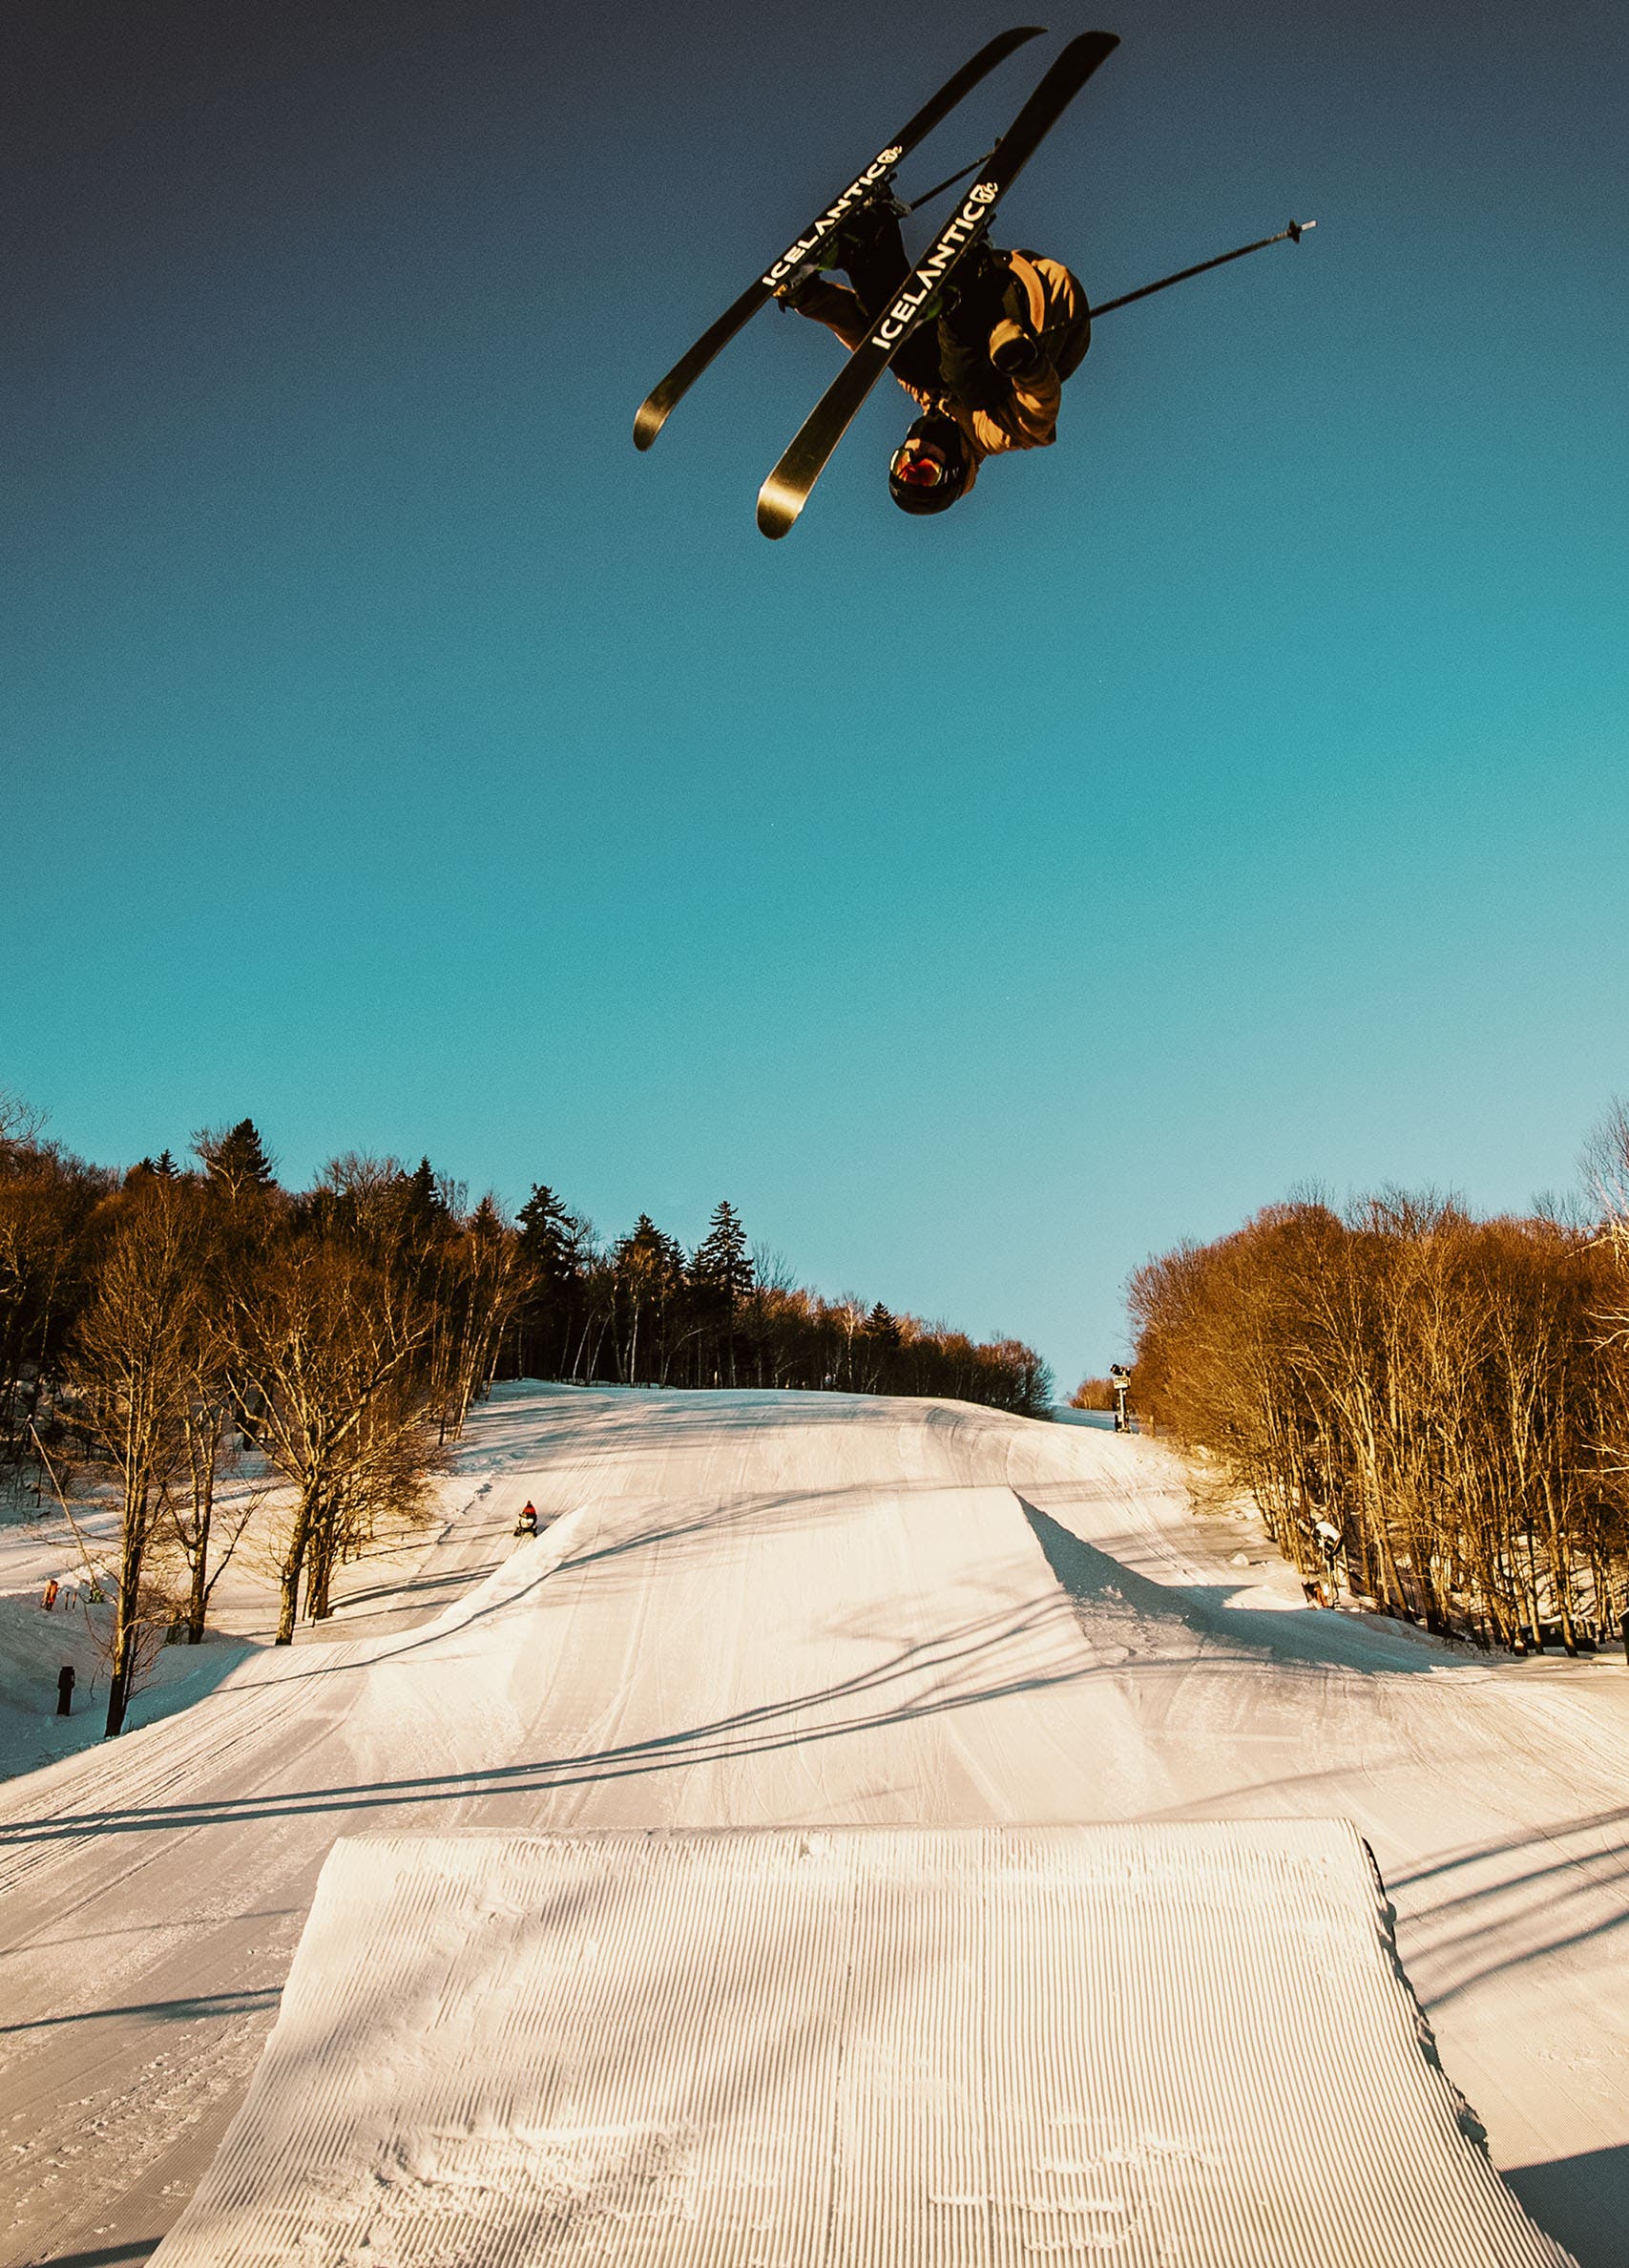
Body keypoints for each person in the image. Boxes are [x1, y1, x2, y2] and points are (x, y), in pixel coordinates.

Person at [779, 201, 1092, 516]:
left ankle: (866, 243)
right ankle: (957, 296)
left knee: (901, 354)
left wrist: (807, 298)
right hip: (1046, 304)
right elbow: (1038, 412)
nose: (915, 457)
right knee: (971, 389)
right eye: (924, 472)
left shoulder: (928, 393)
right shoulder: (988, 433)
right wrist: (1023, 364)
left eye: (902, 463)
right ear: (953, 470)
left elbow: (870, 341)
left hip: (993, 279)